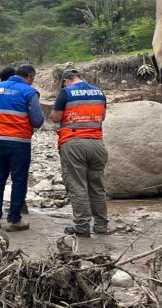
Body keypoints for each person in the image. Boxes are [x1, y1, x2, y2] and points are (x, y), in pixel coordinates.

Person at [50, 69, 108, 238]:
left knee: (77, 186)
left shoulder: (66, 93)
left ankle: (82, 227)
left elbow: (55, 117)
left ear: (67, 80)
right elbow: (102, 116)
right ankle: (101, 225)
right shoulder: (99, 92)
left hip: (73, 142)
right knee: (97, 187)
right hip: (97, 143)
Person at [0, 65, 44, 231]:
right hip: (19, 142)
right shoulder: (29, 92)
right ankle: (14, 219)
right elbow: (38, 120)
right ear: (29, 77)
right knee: (18, 180)